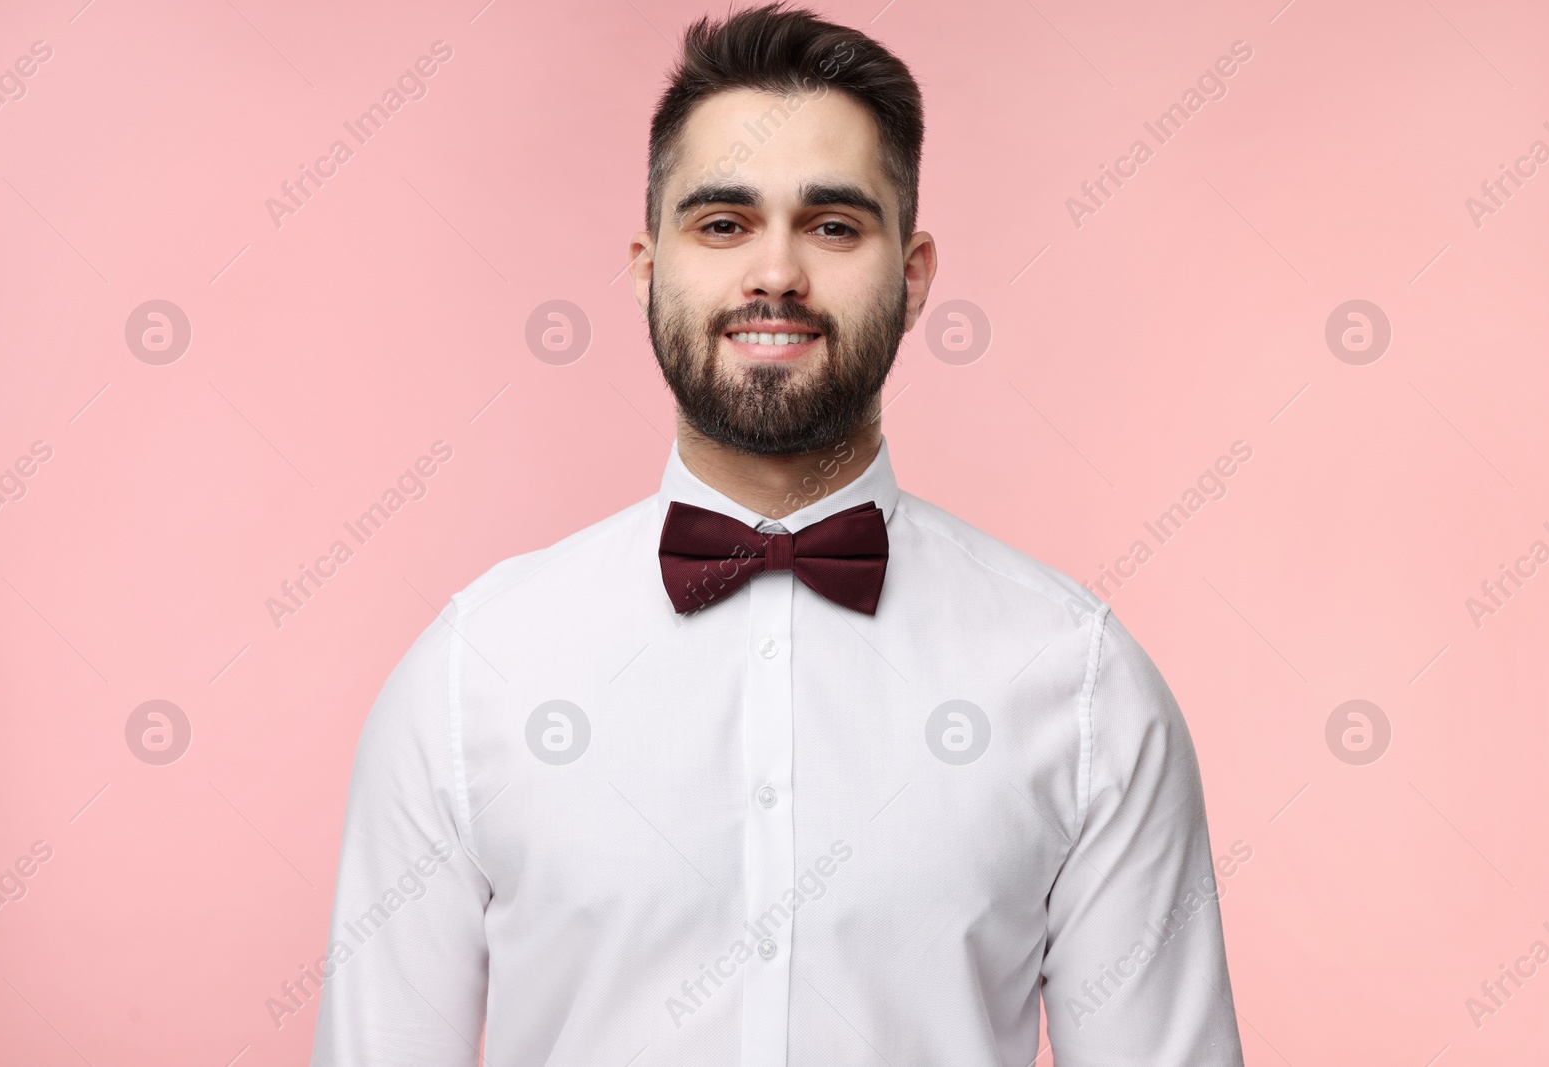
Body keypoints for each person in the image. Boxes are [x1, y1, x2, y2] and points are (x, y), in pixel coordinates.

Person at [310, 3, 1246, 1063]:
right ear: (645, 266)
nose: (775, 274)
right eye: (722, 223)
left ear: (915, 273)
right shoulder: (469, 674)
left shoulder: (1080, 684)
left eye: (834, 225)